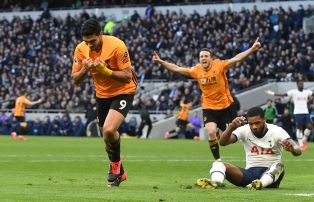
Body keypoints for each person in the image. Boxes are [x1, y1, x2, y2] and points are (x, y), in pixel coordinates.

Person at [153, 38, 261, 161]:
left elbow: (237, 58)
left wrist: (252, 49)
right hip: (209, 107)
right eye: (201, 56)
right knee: (210, 133)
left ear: (211, 58)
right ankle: (218, 161)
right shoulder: (196, 70)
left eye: (206, 56)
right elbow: (177, 69)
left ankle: (255, 145)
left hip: (225, 106)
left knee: (228, 139)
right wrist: (161, 61)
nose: (203, 58)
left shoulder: (220, 65)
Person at [71, 18, 137, 187]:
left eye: (92, 41)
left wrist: (105, 70)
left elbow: (127, 76)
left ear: (100, 34)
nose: (90, 45)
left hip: (123, 91)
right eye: (86, 42)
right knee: (107, 139)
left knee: (108, 129)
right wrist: (85, 68)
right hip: (102, 95)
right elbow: (75, 80)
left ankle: (114, 169)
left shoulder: (117, 46)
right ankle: (120, 172)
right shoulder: (81, 49)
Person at [196, 107, 301, 190]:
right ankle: (216, 183)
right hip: (250, 174)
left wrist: (292, 149)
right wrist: (231, 126)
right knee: (218, 163)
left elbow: (298, 149)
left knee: (279, 165)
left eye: (257, 123)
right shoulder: (244, 130)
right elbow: (223, 143)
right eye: (251, 124)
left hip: (272, 175)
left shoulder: (277, 131)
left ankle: (261, 184)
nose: (254, 126)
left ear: (264, 120)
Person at [265, 80, 314, 150]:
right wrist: (272, 93)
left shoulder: (307, 92)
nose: (302, 85)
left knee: (310, 127)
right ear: (297, 85)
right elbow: (283, 95)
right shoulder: (293, 92)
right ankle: (300, 144)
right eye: (300, 84)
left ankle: (304, 139)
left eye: (302, 84)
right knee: (299, 128)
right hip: (297, 113)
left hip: (305, 112)